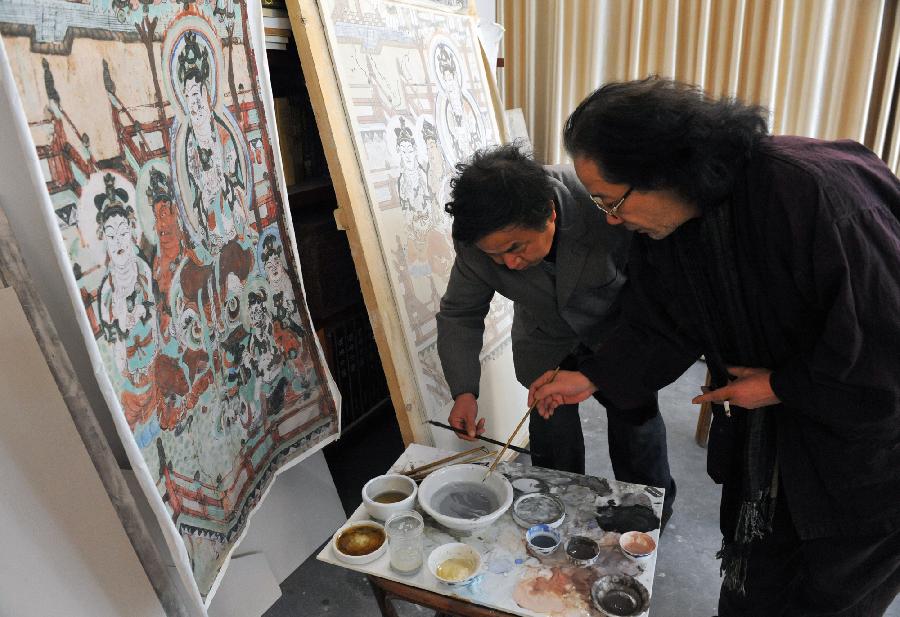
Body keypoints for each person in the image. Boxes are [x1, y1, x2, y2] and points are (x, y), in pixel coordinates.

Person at [530, 77, 900, 616]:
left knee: (828, 599)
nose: (611, 219)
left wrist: (778, 385)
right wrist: (593, 375)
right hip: (771, 451)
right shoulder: (680, 219)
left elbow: (887, 349)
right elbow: (663, 319)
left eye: (613, 201)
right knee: (751, 584)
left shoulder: (817, 194)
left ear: (667, 170)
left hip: (867, 460)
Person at [436, 143, 676, 522]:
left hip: (616, 332)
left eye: (516, 248)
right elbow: (460, 313)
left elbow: (653, 293)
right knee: (551, 436)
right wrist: (464, 391)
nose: (509, 264)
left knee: (635, 426)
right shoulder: (477, 240)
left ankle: (648, 515)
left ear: (549, 213)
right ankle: (555, 511)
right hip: (545, 339)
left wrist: (607, 371)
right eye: (496, 257)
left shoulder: (602, 206)